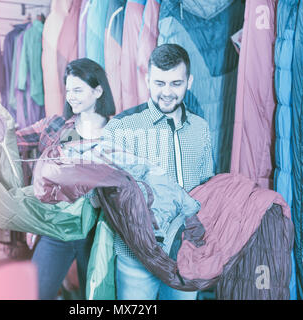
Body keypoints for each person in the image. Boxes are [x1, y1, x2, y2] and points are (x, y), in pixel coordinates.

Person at [103, 43, 214, 300]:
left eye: (176, 83)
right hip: (136, 258)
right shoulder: (121, 128)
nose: (167, 92)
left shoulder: (201, 128)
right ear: (147, 80)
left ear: (190, 81)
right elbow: (103, 195)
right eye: (159, 83)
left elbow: (206, 187)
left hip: (185, 257)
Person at [16, 58, 116, 300]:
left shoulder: (117, 132)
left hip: (96, 233)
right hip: (57, 229)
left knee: (93, 299)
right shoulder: (56, 125)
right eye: (68, 90)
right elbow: (14, 140)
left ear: (98, 90)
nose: (71, 96)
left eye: (78, 90)